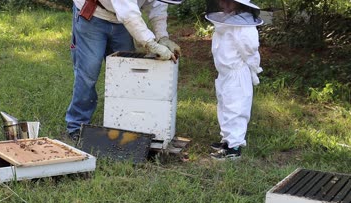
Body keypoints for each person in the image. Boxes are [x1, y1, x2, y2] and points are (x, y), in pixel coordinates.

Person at [65, 0, 182, 142]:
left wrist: (162, 36)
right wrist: (150, 43)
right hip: (94, 15)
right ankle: (76, 125)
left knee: (126, 74)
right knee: (88, 72)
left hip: (122, 22)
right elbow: (128, 14)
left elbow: (157, 6)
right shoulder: (126, 12)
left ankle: (125, 123)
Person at [205, 0, 263, 160]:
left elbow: (250, 51)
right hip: (225, 73)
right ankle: (227, 140)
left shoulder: (245, 27)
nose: (222, 3)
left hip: (237, 74)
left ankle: (234, 147)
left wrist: (254, 70)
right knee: (224, 106)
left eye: (228, 1)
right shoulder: (225, 22)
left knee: (236, 109)